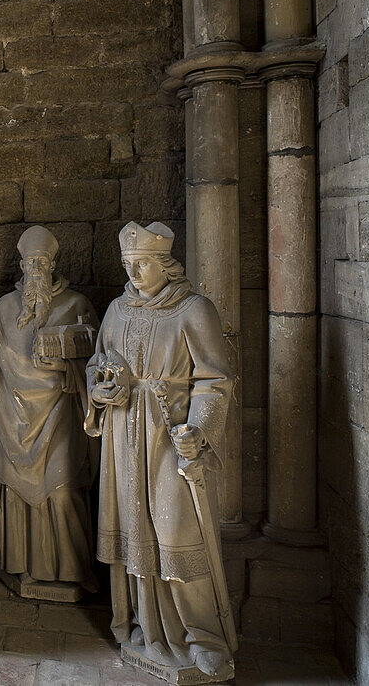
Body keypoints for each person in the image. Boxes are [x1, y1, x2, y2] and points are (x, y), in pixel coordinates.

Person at [85, 221, 236, 680]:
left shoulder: (193, 310)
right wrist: (101, 388)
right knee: (132, 528)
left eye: (142, 263)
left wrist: (199, 429)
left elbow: (215, 378)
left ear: (165, 264)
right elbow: (97, 364)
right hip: (122, 436)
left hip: (169, 436)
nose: (133, 271)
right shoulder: (116, 309)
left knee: (177, 535)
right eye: (128, 264)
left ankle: (202, 637)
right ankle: (143, 629)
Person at [0, 226, 99, 597]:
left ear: (53, 265)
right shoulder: (4, 310)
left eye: (43, 262)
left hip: (61, 419)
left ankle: (74, 571)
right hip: (10, 419)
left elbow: (100, 363)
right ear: (21, 265)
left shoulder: (76, 306)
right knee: (16, 494)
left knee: (64, 492)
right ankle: (25, 570)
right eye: (31, 262)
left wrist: (67, 363)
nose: (37, 268)